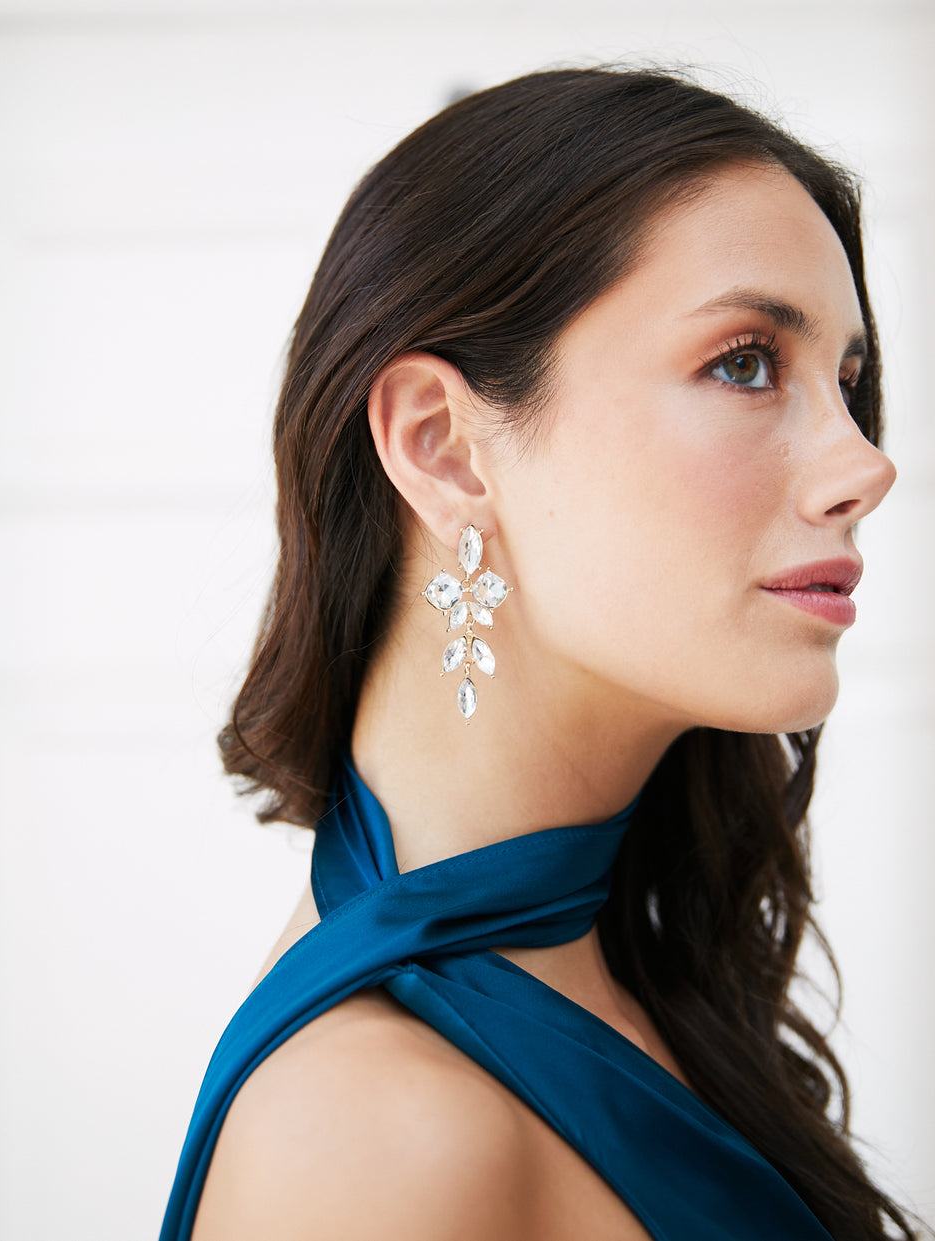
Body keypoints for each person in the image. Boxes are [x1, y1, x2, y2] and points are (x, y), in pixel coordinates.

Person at [159, 67, 922, 1240]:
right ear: (444, 446)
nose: (865, 464)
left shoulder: (621, 956)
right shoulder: (373, 1140)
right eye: (744, 361)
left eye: (848, 383)